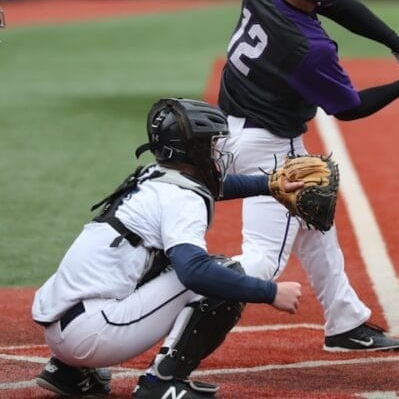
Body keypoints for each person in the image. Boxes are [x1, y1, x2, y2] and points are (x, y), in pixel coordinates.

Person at [218, 0, 399, 352]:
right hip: (271, 146)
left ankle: (345, 321)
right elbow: (349, 107)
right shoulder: (310, 48)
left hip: (228, 129)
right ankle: (176, 295)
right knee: (262, 262)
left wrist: (396, 43)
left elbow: (331, 0)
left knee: (314, 222)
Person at [32, 98, 303, 399]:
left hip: (62, 329)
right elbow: (194, 272)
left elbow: (216, 186)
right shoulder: (181, 200)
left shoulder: (154, 175)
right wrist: (271, 293)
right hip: (95, 334)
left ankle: (69, 373)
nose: (217, 152)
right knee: (218, 273)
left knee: (158, 261)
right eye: (211, 144)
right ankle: (162, 382)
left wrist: (270, 185)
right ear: (194, 150)